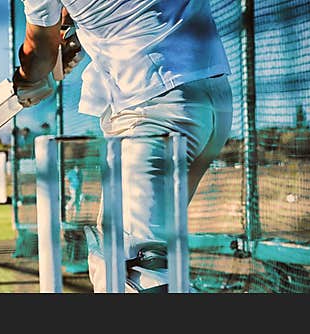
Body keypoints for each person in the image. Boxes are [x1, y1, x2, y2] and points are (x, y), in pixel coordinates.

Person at [16, 0, 232, 292]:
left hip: (153, 110)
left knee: (131, 269)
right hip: (213, 104)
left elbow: (39, 54)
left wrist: (27, 75)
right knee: (137, 258)